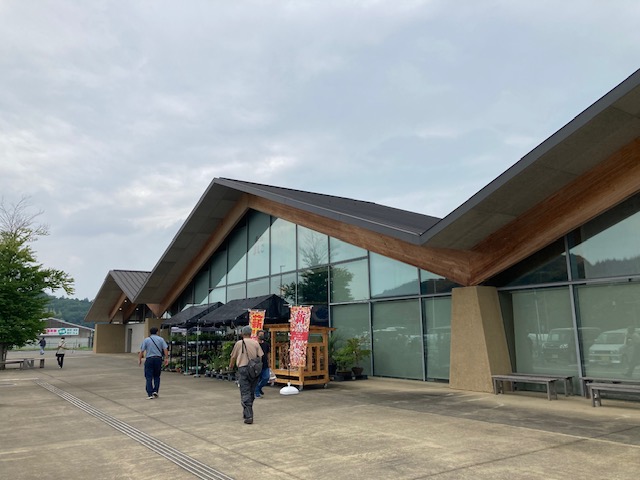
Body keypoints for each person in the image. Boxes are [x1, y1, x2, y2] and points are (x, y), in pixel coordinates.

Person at [229, 325, 263, 424]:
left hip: (243, 369)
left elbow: (233, 357)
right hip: (254, 370)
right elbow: (260, 356)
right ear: (251, 333)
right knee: (251, 391)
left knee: (245, 391)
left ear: (242, 334)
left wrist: (231, 366)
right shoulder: (255, 343)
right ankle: (246, 411)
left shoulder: (239, 343)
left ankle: (249, 416)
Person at [138, 327, 169, 399]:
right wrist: (166, 358)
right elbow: (165, 349)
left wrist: (139, 359)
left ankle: (150, 393)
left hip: (149, 359)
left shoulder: (146, 340)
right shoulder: (161, 339)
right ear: (157, 332)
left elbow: (142, 351)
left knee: (148, 377)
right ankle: (155, 391)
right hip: (158, 359)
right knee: (157, 376)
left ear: (150, 332)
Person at [254, 330, 271, 398]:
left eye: (263, 334)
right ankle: (257, 393)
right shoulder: (255, 344)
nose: (262, 336)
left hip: (265, 364)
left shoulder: (266, 344)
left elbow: (268, 353)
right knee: (257, 379)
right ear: (257, 335)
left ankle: (259, 387)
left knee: (266, 377)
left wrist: (269, 362)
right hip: (257, 364)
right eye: (260, 334)